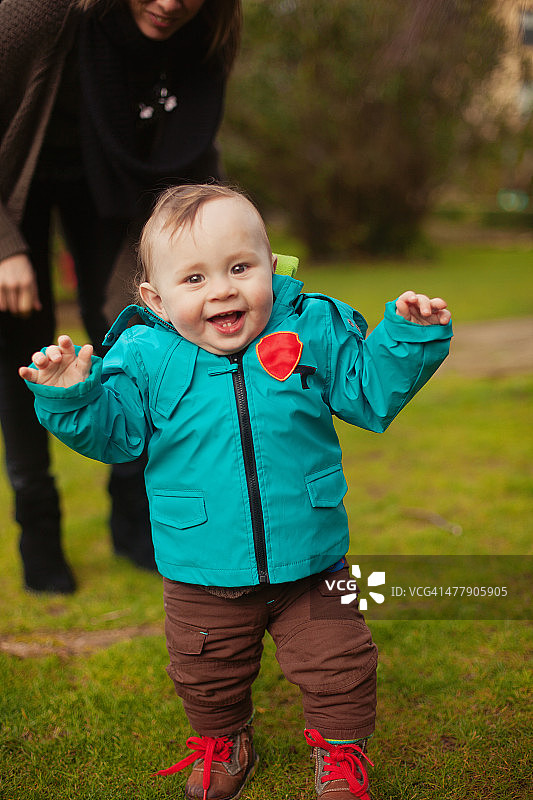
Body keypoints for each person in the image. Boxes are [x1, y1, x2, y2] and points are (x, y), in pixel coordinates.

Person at [20, 184, 453, 800]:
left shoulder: (310, 329)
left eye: (240, 268)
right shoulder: (144, 357)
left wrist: (405, 337)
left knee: (341, 664)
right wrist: (71, 396)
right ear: (156, 298)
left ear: (271, 269)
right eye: (193, 278)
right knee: (206, 674)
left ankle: (340, 756)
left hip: (314, 556)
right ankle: (226, 740)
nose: (222, 289)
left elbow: (368, 388)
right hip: (202, 565)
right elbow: (113, 434)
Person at [0, 0, 241, 592]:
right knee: (20, 347)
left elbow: (191, 156)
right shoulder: (37, 13)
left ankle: (133, 521)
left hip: (113, 189)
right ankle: (40, 528)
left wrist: (214, 253)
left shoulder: (206, 33)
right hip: (10, 185)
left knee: (138, 336)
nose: (171, 3)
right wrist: (3, 247)